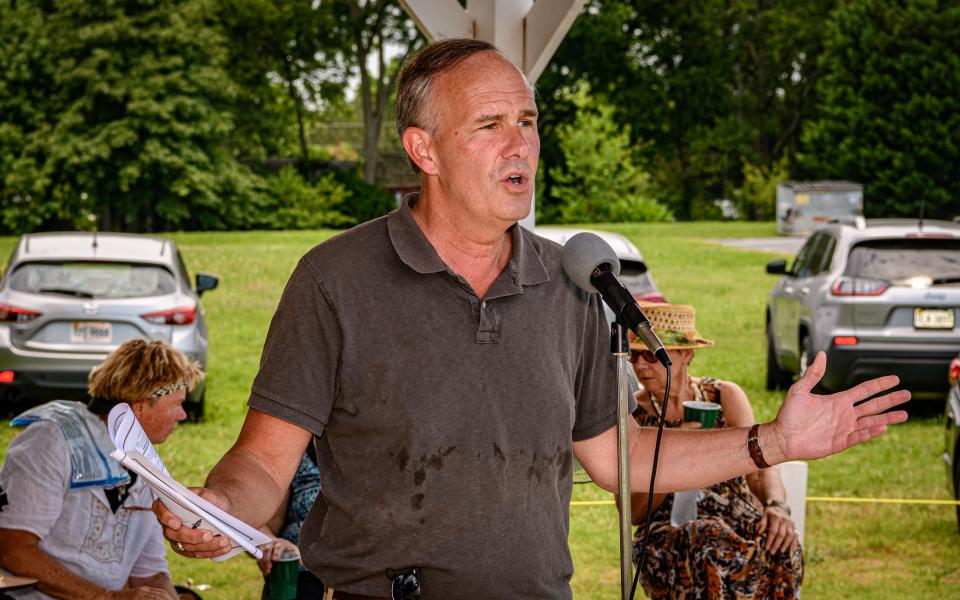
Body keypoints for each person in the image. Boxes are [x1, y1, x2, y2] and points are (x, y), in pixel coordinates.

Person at [154, 39, 909, 600]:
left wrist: (772, 441)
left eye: (528, 120)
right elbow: (263, 461)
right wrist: (219, 508)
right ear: (425, 150)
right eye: (489, 125)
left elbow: (618, 460)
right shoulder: (334, 280)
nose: (522, 144)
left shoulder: (572, 282)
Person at [0, 339, 203, 600]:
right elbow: (13, 548)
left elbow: (149, 574)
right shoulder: (51, 441)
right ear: (139, 406)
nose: (183, 416)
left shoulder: (148, 470)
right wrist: (106, 598)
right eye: (177, 404)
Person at [624, 302, 802, 599]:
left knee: (782, 544)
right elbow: (635, 512)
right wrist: (669, 450)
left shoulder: (724, 395)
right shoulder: (633, 415)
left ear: (686, 355)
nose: (640, 366)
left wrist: (776, 506)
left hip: (737, 516)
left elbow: (762, 465)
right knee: (705, 540)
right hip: (670, 530)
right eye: (633, 355)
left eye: (650, 355)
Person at [255, 447, 324, 600]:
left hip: (362, 582)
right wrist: (270, 544)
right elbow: (260, 523)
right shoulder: (292, 451)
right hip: (294, 581)